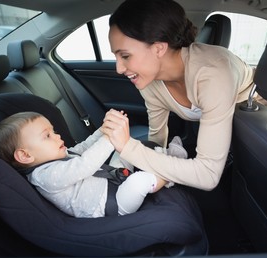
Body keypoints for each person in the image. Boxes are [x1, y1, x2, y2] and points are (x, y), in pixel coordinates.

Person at [103, 0, 255, 191]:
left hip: (262, 117)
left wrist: (128, 147)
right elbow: (157, 139)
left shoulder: (213, 73)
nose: (118, 69)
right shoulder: (149, 82)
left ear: (159, 48)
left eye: (125, 56)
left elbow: (208, 175)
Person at [0, 111, 187, 218]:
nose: (57, 135)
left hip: (111, 181)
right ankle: (170, 172)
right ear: (25, 156)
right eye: (47, 136)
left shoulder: (58, 157)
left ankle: (164, 155)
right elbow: (85, 165)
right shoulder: (45, 177)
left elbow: (83, 148)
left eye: (53, 131)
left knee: (126, 148)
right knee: (139, 182)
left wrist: (104, 130)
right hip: (111, 205)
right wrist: (111, 139)